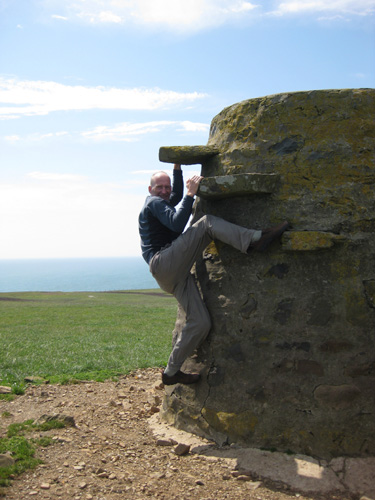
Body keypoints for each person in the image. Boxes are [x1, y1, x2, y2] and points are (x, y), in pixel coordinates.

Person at [139, 164, 288, 386]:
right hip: (164, 262)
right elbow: (178, 223)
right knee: (207, 222)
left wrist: (177, 170)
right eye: (159, 187)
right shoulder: (154, 203)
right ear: (150, 189)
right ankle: (255, 239)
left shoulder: (161, 201)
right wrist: (191, 193)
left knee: (200, 322)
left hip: (170, 274)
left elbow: (176, 195)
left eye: (166, 187)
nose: (164, 191)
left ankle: (171, 372)